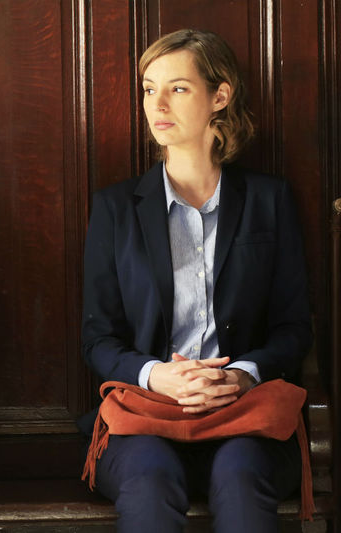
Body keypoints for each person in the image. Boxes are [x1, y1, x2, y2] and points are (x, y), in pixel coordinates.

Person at [80, 29, 312, 533]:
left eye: (178, 88)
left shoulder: (269, 201)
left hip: (245, 415)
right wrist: (155, 375)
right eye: (149, 89)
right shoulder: (115, 209)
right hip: (145, 417)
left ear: (219, 96)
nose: (157, 104)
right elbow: (98, 338)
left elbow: (295, 327)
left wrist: (242, 374)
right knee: (149, 482)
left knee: (241, 478)